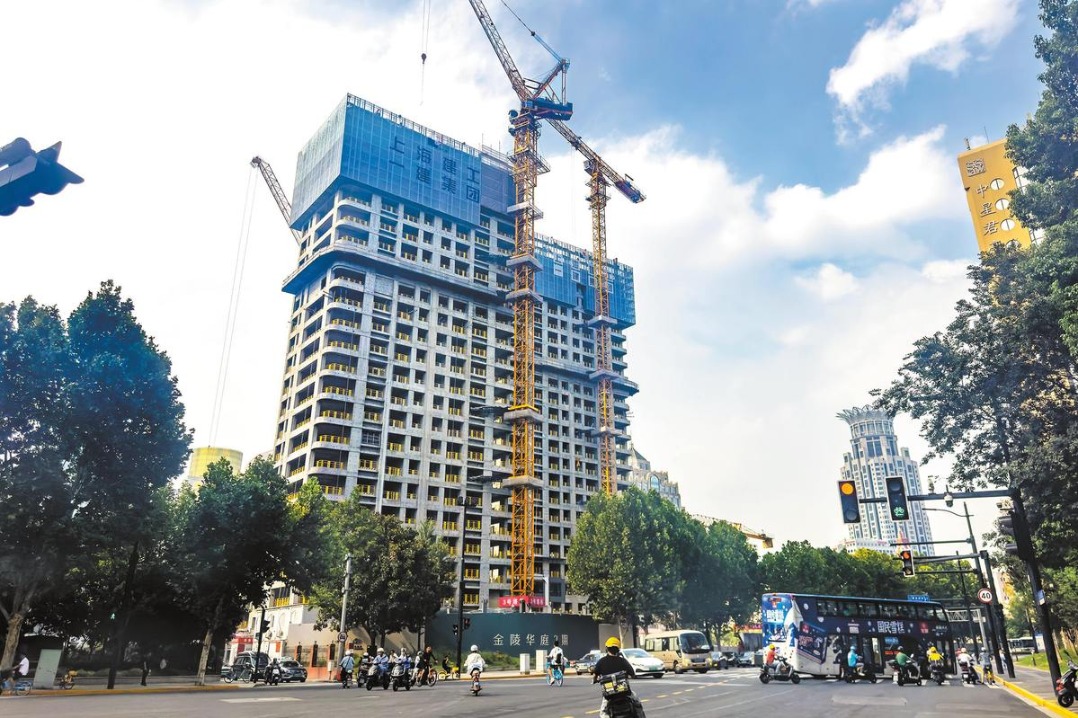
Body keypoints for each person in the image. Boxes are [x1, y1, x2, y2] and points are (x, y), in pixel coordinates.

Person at [592, 638, 640, 718]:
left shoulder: (601, 662)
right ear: (618, 649)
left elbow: (595, 675)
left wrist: (595, 680)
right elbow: (632, 674)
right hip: (624, 693)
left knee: (603, 713)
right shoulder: (623, 661)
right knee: (637, 703)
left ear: (607, 648)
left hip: (609, 696)